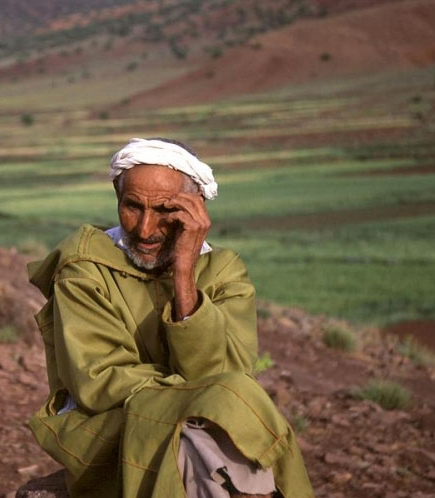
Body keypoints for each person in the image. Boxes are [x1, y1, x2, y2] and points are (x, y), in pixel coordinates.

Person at [27, 138, 314, 498]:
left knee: (213, 424)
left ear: (196, 210)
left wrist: (184, 275)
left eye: (165, 210)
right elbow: (99, 382)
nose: (145, 229)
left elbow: (232, 374)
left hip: (202, 417)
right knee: (202, 430)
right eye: (132, 207)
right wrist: (193, 394)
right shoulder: (84, 268)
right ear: (117, 200)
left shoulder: (223, 272)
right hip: (105, 430)